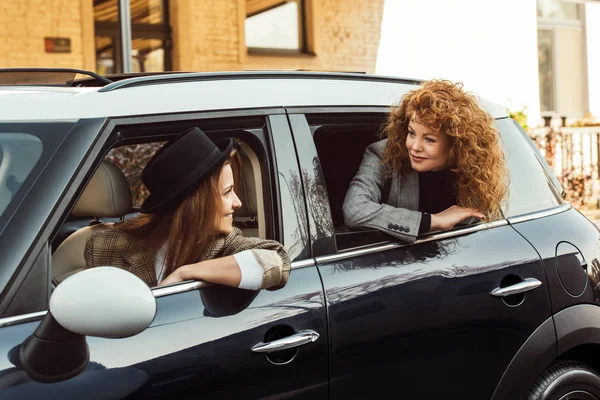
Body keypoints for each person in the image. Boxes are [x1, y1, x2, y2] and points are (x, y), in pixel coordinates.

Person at [84, 127, 290, 291]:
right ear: (196, 203)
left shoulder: (225, 245)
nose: (238, 203)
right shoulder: (104, 247)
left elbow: (277, 261)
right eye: (227, 192)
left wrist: (185, 274)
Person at [343, 79, 507, 243]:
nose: (414, 147)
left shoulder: (476, 172)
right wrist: (434, 221)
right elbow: (355, 209)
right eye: (411, 133)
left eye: (429, 139)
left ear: (456, 145)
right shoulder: (383, 153)